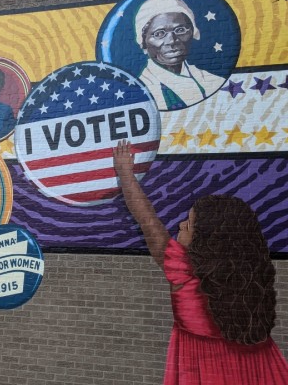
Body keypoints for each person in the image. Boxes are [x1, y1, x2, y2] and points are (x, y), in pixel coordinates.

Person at [113, 140, 288, 384]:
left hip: (203, 371)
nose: (182, 225)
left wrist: (124, 173)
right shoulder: (251, 277)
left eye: (190, 223)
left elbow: (147, 220)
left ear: (208, 238)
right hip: (261, 368)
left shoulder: (182, 270)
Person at [135, 0, 225, 110]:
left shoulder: (214, 82)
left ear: (192, 33)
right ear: (143, 42)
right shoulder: (141, 91)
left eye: (180, 30)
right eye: (159, 34)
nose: (172, 41)